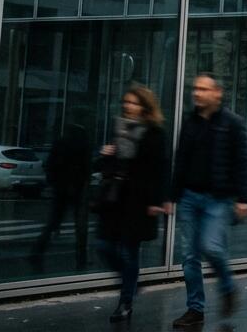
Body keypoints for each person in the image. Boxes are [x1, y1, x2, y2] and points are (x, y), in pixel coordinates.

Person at [168, 74, 247, 328]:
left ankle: (228, 288)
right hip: (189, 197)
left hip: (218, 198)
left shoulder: (233, 123)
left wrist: (244, 198)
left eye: (203, 89)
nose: (197, 93)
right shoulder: (190, 122)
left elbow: (243, 162)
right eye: (195, 88)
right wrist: (171, 195)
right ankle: (195, 308)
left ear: (217, 93)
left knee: (211, 247)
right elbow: (180, 160)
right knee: (189, 256)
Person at [93, 86, 168, 323]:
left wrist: (157, 200)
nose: (128, 106)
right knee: (104, 245)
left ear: (145, 107)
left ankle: (125, 302)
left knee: (129, 251)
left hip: (137, 201)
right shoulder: (120, 128)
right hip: (114, 198)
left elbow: (160, 169)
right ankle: (131, 281)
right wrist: (105, 155)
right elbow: (106, 167)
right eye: (126, 102)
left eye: (134, 103)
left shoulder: (155, 133)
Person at [31, 123, 91, 273]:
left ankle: (37, 251)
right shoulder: (83, 145)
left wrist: (55, 182)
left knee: (54, 222)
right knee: (80, 227)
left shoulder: (60, 143)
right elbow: (86, 168)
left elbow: (50, 165)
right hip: (77, 188)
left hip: (61, 188)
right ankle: (81, 259)